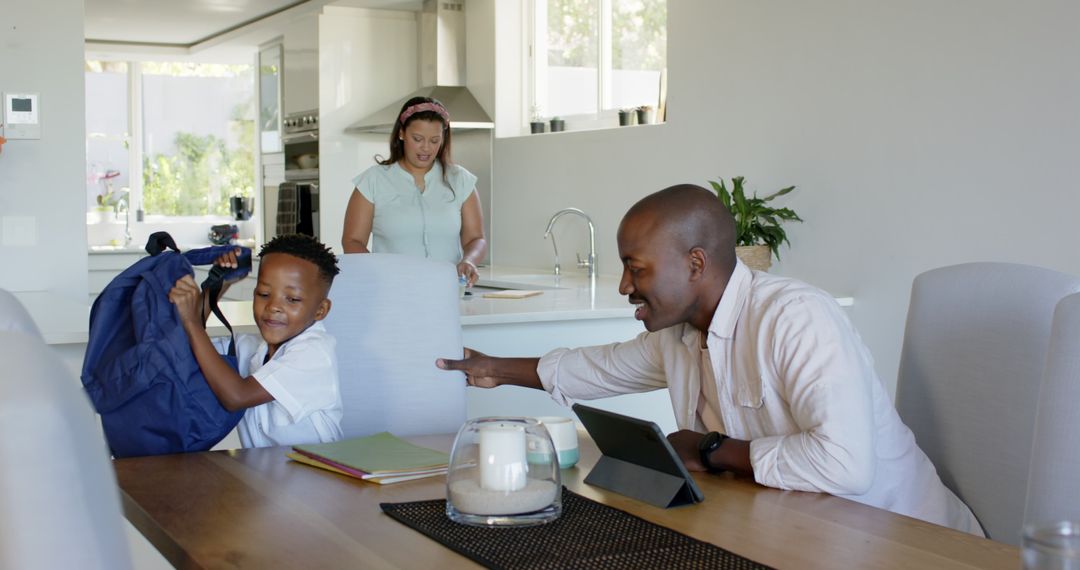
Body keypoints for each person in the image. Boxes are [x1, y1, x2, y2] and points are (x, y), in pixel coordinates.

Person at [437, 184, 983, 535]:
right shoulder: (680, 335)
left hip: (906, 538)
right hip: (808, 530)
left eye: (637, 267)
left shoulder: (795, 318)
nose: (625, 285)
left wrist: (710, 449)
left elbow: (845, 464)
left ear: (695, 263)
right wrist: (492, 368)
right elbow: (595, 367)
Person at [168, 234, 343, 449]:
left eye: (293, 299)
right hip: (264, 474)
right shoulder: (248, 346)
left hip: (317, 477)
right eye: (264, 294)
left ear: (320, 310)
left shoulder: (315, 353)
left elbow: (237, 396)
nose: (273, 307)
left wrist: (191, 321)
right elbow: (188, 346)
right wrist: (221, 283)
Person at [342, 96, 487, 285]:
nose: (426, 148)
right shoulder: (373, 181)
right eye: (417, 139)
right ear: (401, 133)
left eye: (434, 140)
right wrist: (378, 272)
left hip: (446, 291)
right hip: (391, 290)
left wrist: (469, 261)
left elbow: (476, 238)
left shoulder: (461, 180)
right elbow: (352, 240)